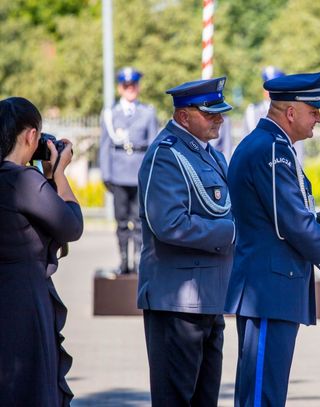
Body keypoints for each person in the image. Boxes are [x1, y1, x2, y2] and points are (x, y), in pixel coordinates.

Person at [225, 71, 320, 406]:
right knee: (262, 396)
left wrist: (316, 223)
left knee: (263, 392)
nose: (318, 118)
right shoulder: (272, 149)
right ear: (290, 112)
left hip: (271, 286)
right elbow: (292, 223)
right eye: (313, 111)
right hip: (269, 288)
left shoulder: (271, 145)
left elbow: (278, 217)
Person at [137, 76, 236, 406]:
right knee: (176, 400)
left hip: (209, 298)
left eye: (220, 112)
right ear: (183, 116)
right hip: (177, 302)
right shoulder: (166, 154)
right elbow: (169, 224)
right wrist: (231, 232)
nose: (218, 119)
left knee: (205, 400)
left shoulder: (212, 156)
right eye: (210, 113)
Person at [0, 97, 83, 406]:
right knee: (29, 386)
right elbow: (71, 226)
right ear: (31, 135)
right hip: (24, 298)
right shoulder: (23, 181)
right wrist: (59, 174)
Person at [99, 66, 159, 274]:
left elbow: (153, 146)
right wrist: (106, 175)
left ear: (138, 87)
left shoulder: (148, 113)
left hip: (139, 174)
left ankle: (140, 261)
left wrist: (152, 174)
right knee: (122, 221)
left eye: (133, 85)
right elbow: (105, 146)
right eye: (126, 86)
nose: (130, 88)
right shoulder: (110, 114)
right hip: (118, 174)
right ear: (120, 88)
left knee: (140, 221)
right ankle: (124, 261)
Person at [244, 66, 306, 164]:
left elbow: (297, 148)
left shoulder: (291, 111)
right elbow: (248, 144)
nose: (270, 91)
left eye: (275, 87)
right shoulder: (252, 110)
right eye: (268, 86)